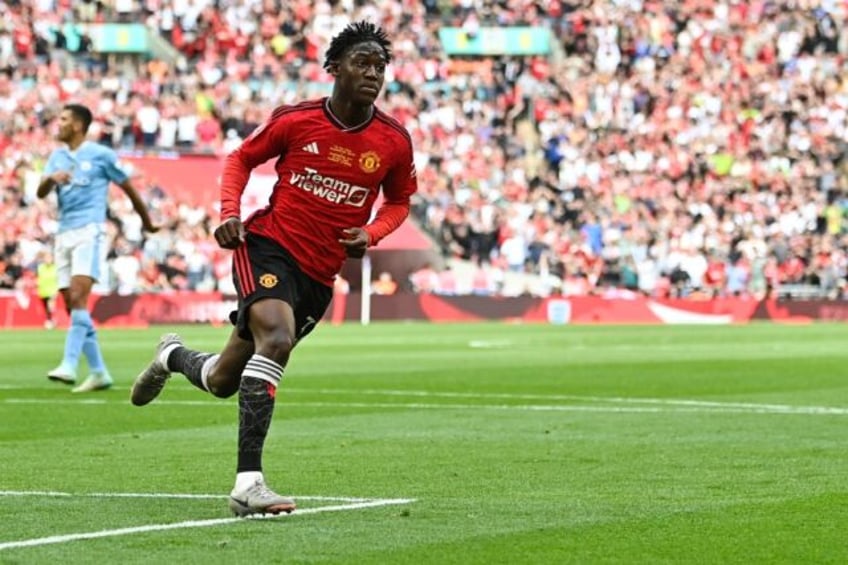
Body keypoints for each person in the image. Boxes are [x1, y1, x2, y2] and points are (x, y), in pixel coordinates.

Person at [130, 21, 418, 517]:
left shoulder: (393, 141)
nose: (373, 73)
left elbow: (400, 202)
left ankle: (172, 356)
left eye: (380, 66)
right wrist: (229, 214)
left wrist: (371, 234)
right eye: (361, 63)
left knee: (223, 379)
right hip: (268, 246)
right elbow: (241, 158)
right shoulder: (297, 120)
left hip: (319, 274)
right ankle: (248, 483)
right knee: (277, 341)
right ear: (334, 69)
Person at [37, 103, 159, 392]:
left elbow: (128, 188)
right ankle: (99, 371)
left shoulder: (101, 155)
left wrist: (147, 222)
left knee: (79, 296)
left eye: (64, 119)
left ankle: (68, 364)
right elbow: (40, 193)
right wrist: (49, 179)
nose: (59, 123)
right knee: (71, 304)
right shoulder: (57, 156)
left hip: (90, 230)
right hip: (63, 232)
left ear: (78, 125)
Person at [35, 250, 59, 329]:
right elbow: (37, 278)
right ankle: (50, 320)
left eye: (49, 258)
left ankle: (50, 321)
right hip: (43, 291)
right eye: (46, 258)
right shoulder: (40, 267)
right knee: (46, 308)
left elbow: (58, 279)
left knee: (50, 307)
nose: (47, 260)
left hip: (52, 291)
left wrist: (57, 291)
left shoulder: (55, 268)